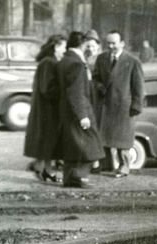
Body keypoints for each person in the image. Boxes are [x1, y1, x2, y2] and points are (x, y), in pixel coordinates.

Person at [93, 30, 144, 178]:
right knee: (104, 137)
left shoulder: (132, 61)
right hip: (105, 105)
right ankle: (107, 164)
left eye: (113, 43)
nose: (110, 46)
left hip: (123, 107)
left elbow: (139, 86)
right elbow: (95, 78)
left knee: (123, 140)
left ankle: (124, 167)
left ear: (122, 43)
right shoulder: (101, 59)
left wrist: (136, 106)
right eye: (108, 43)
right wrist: (100, 87)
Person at [57, 31, 104, 188]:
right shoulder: (77, 64)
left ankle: (69, 178)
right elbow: (76, 92)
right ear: (82, 44)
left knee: (72, 145)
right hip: (78, 111)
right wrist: (83, 115)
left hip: (65, 111)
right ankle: (79, 177)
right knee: (91, 145)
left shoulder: (65, 60)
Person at [24, 34, 67, 182]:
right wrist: (63, 92)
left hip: (45, 109)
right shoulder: (49, 63)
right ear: (56, 47)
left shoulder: (47, 62)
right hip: (47, 110)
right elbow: (47, 88)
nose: (65, 50)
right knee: (47, 141)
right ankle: (43, 170)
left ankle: (46, 171)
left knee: (48, 143)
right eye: (63, 47)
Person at [83, 29, 103, 173]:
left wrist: (92, 82)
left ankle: (96, 163)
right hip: (84, 97)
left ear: (98, 46)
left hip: (96, 99)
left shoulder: (102, 60)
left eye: (93, 46)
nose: (90, 49)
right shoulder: (82, 58)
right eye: (88, 45)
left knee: (94, 129)